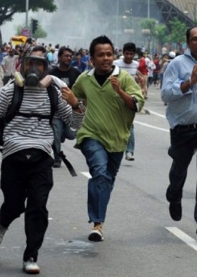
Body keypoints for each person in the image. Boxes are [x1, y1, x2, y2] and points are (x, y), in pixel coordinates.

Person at [0, 45, 85, 274]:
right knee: (14, 204)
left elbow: (74, 126)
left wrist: (75, 104)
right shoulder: (10, 91)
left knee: (38, 206)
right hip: (13, 155)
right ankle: (3, 222)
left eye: (40, 64)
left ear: (46, 68)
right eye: (31, 63)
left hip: (42, 156)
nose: (35, 68)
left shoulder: (53, 93)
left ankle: (31, 255)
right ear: (23, 66)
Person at [71, 36, 144, 242]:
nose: (105, 58)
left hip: (118, 139)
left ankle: (99, 218)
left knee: (107, 180)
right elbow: (76, 102)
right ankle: (97, 223)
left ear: (114, 55)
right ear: (92, 58)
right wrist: (73, 102)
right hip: (90, 134)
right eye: (100, 54)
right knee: (100, 173)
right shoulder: (84, 79)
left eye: (109, 54)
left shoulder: (124, 79)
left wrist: (120, 91)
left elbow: (136, 105)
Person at [161, 26, 197, 235]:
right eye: (195, 39)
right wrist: (189, 82)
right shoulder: (176, 65)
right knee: (179, 169)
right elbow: (166, 94)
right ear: (188, 42)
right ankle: (174, 194)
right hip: (182, 128)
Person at [48, 46, 81, 167]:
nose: (69, 58)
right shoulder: (51, 74)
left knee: (72, 135)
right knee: (55, 134)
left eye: (70, 56)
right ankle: (57, 158)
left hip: (71, 109)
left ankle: (62, 133)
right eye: (66, 56)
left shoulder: (76, 73)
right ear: (59, 57)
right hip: (56, 110)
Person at [113, 42, 143, 161]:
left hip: (130, 98)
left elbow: (141, 77)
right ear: (123, 53)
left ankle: (129, 151)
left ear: (134, 54)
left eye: (131, 54)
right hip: (116, 97)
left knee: (129, 125)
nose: (129, 56)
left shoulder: (136, 65)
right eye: (127, 53)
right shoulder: (116, 64)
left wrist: (141, 85)